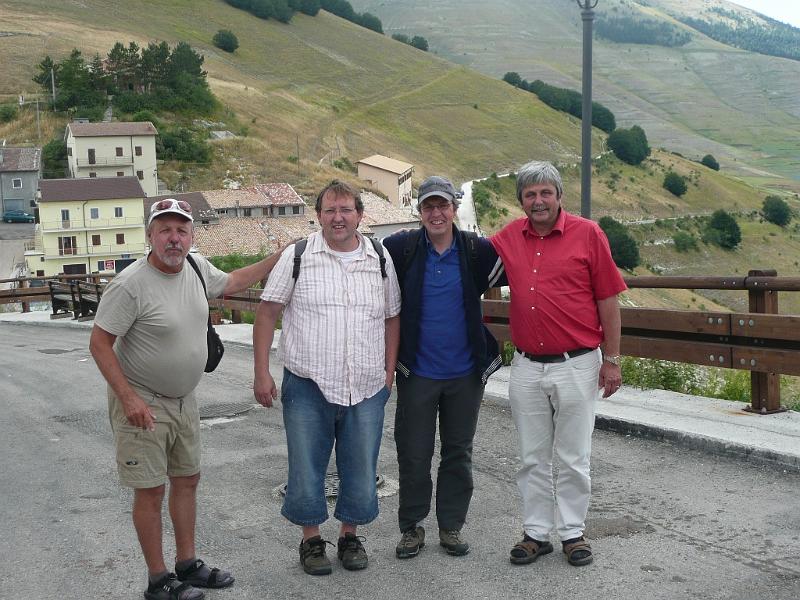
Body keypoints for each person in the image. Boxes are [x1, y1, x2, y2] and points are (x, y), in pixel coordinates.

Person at [90, 198, 284, 600]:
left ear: (191, 236)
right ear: (150, 236)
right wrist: (128, 398)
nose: (173, 239)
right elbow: (99, 343)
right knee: (150, 490)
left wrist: (277, 258)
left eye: (181, 230)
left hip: (184, 399)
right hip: (143, 403)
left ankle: (187, 564)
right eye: (165, 230)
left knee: (187, 481)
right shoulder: (130, 284)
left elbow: (231, 283)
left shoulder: (196, 267)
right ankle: (158, 579)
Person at [253, 180, 401, 576]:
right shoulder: (298, 256)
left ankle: (350, 536)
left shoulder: (380, 258)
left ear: (360, 215)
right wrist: (261, 371)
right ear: (318, 215)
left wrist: (389, 373)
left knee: (360, 465)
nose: (338, 218)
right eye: (330, 210)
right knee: (306, 465)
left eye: (346, 210)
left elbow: (392, 317)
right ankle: (311, 541)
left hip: (368, 384)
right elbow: (267, 312)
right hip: (308, 383)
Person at [490, 161, 626, 568]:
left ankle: (572, 533)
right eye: (530, 194)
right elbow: (466, 259)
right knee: (532, 456)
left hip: (578, 363)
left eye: (545, 192)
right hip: (528, 366)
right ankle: (535, 533)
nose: (538, 201)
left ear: (559, 196)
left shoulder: (588, 234)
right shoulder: (508, 238)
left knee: (572, 455)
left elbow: (608, 299)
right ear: (521, 202)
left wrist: (613, 360)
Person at [383, 176, 505, 559]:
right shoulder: (399, 248)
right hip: (417, 371)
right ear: (419, 212)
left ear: (454, 208)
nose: (436, 213)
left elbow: (518, 266)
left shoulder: (477, 250)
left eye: (443, 206)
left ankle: (451, 527)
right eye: (428, 207)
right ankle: (412, 528)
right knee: (414, 453)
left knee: (458, 451)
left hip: (465, 374)